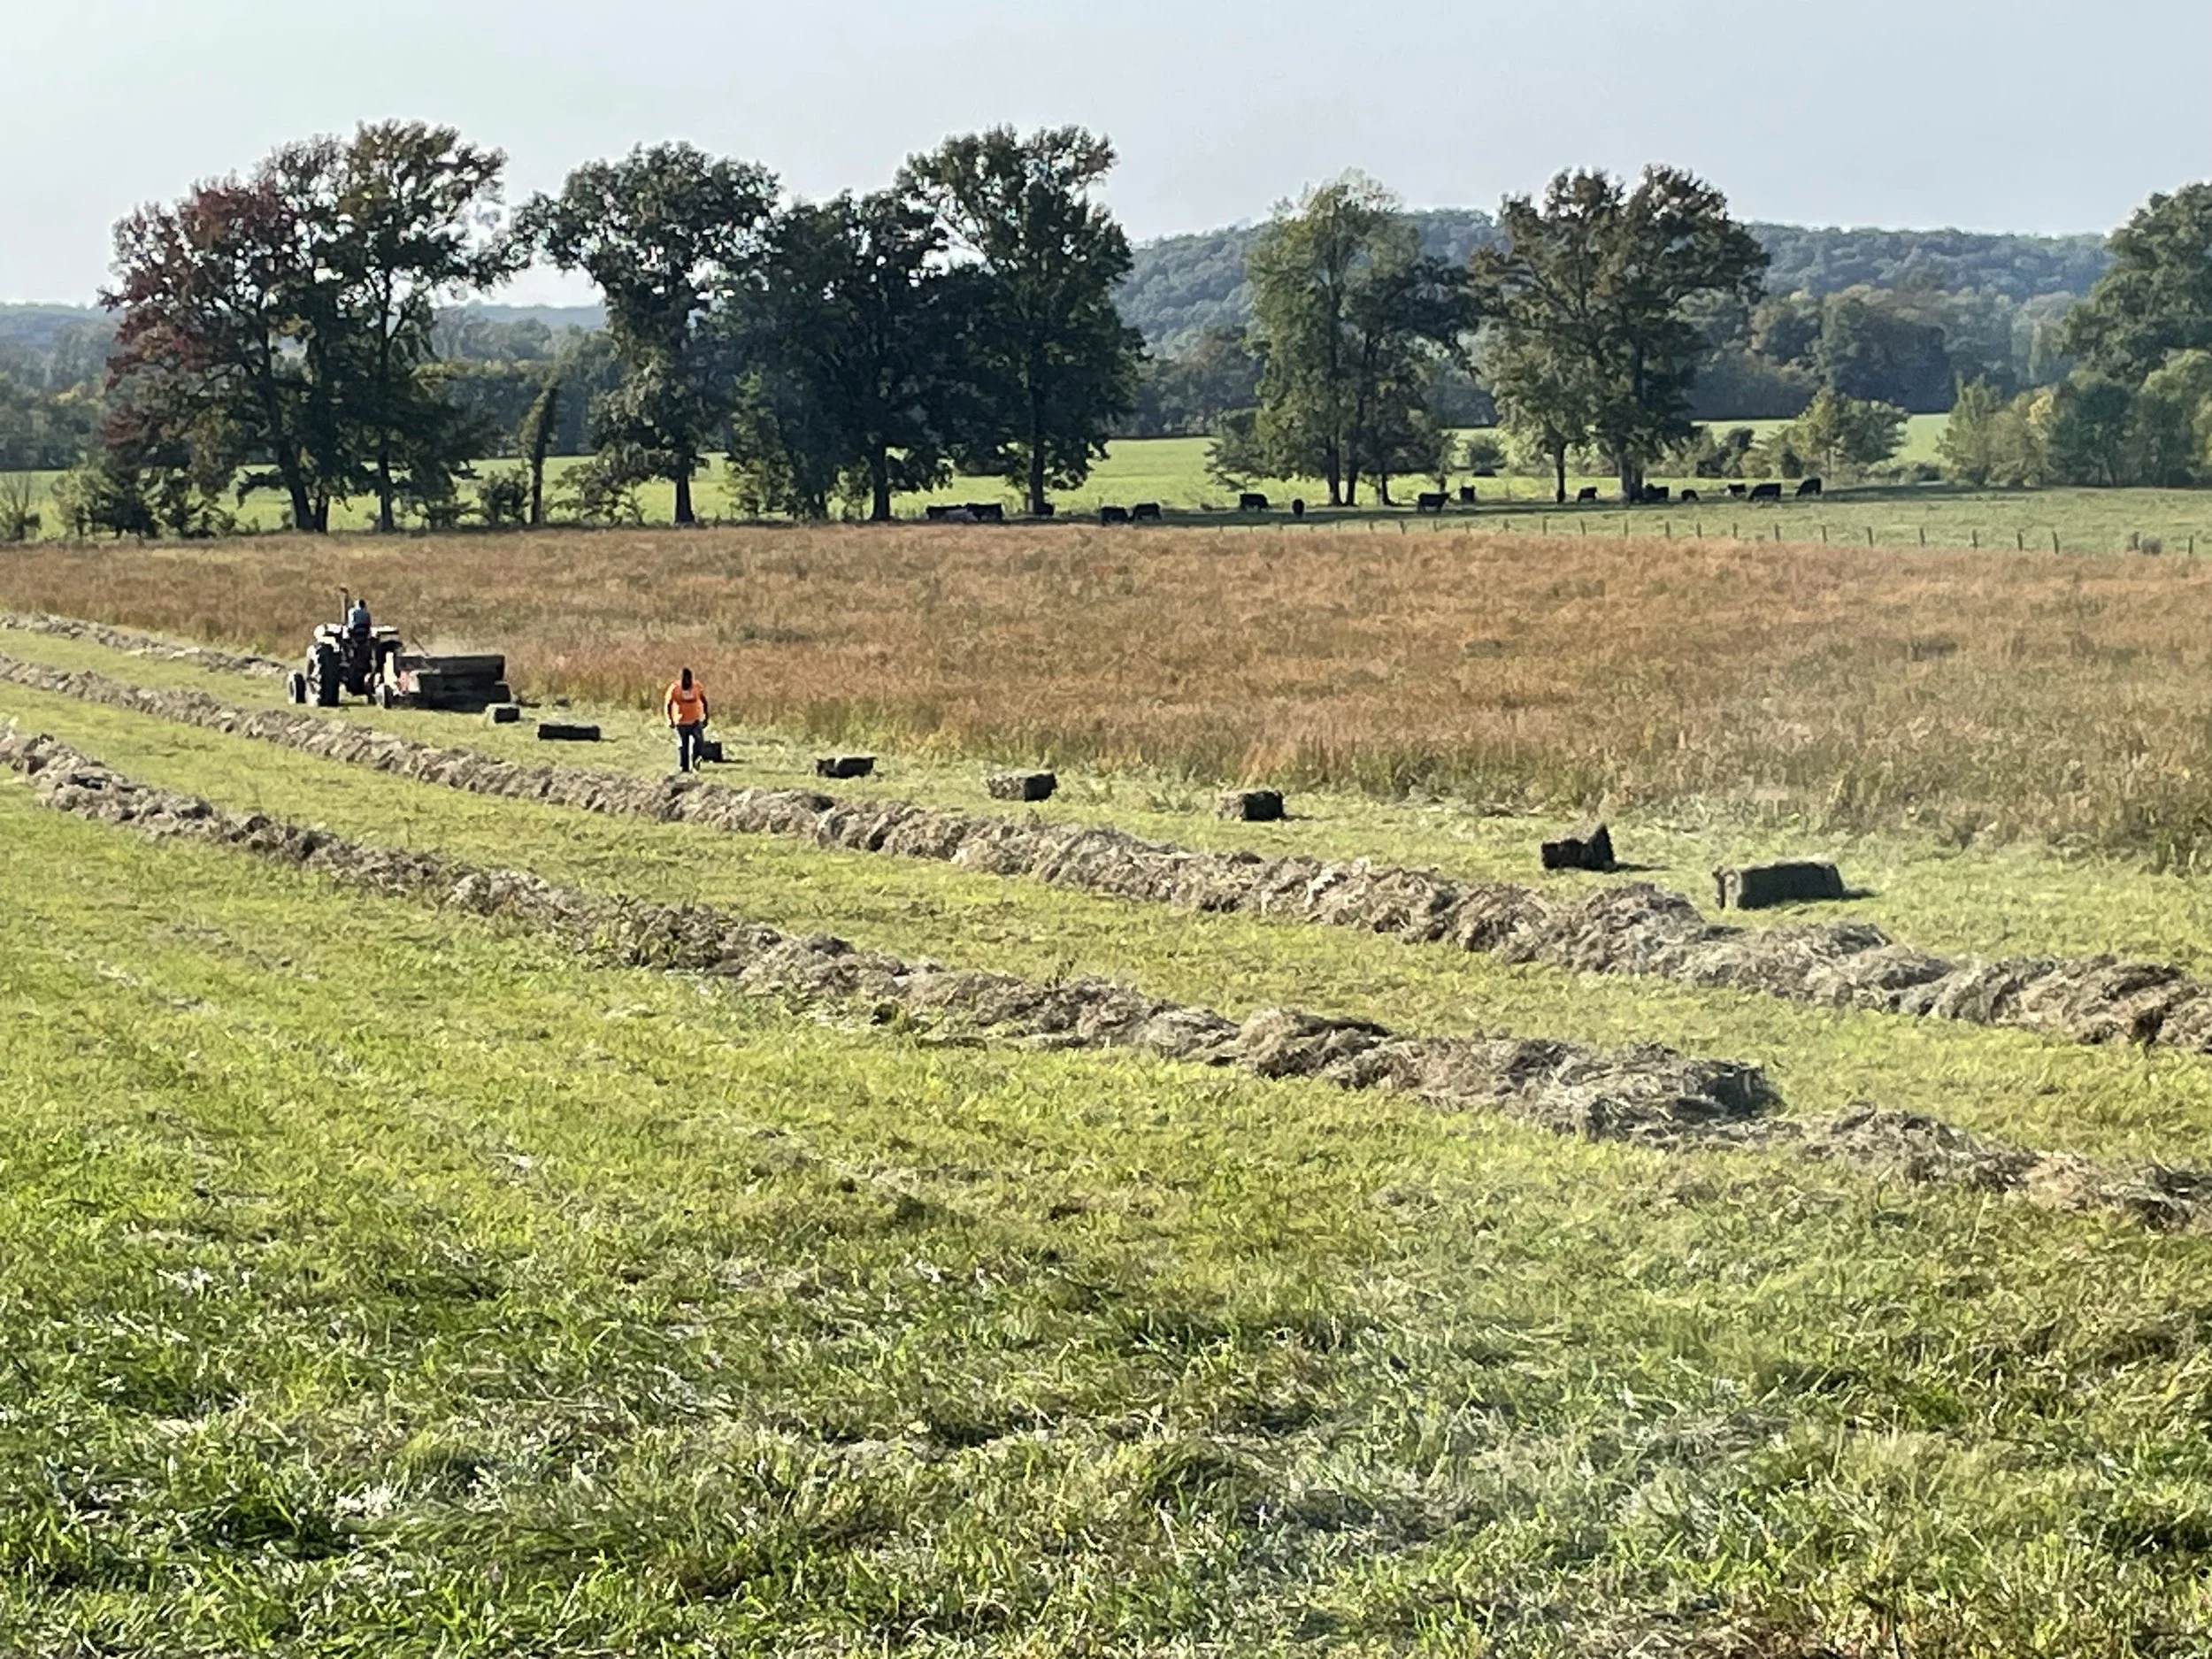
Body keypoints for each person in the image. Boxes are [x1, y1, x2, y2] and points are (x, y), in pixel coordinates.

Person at [664, 666, 710, 772]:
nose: (687, 681)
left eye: (689, 679)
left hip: (695, 720)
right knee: (683, 745)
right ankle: (684, 767)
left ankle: (696, 761)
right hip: (681, 721)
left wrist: (706, 716)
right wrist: (669, 719)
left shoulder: (697, 687)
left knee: (699, 741)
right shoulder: (674, 688)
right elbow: (668, 704)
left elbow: (704, 700)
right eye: (685, 679)